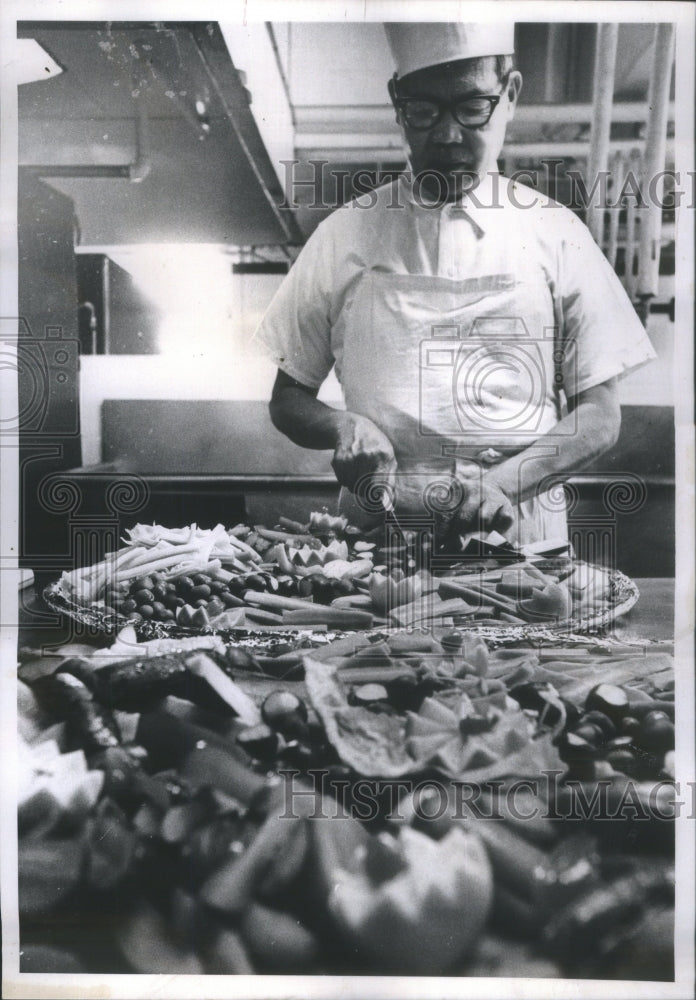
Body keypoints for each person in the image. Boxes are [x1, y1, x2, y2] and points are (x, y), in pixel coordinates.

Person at [256, 22, 656, 546]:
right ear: (397, 103)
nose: (447, 136)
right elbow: (288, 397)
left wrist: (499, 487)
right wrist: (342, 426)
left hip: (516, 530)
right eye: (423, 112)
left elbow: (600, 414)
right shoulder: (344, 234)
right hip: (381, 536)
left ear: (510, 95)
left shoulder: (559, 234)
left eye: (472, 108)